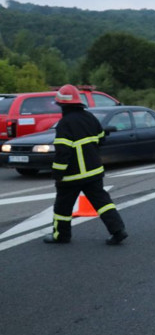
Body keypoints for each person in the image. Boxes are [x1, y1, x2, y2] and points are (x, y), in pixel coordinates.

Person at [44, 84, 128, 245]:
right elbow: (101, 138)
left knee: (63, 207)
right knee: (102, 203)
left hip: (72, 175)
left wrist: (57, 174)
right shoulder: (90, 118)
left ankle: (61, 236)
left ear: (62, 104)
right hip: (94, 171)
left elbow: (63, 152)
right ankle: (118, 231)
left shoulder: (64, 124)